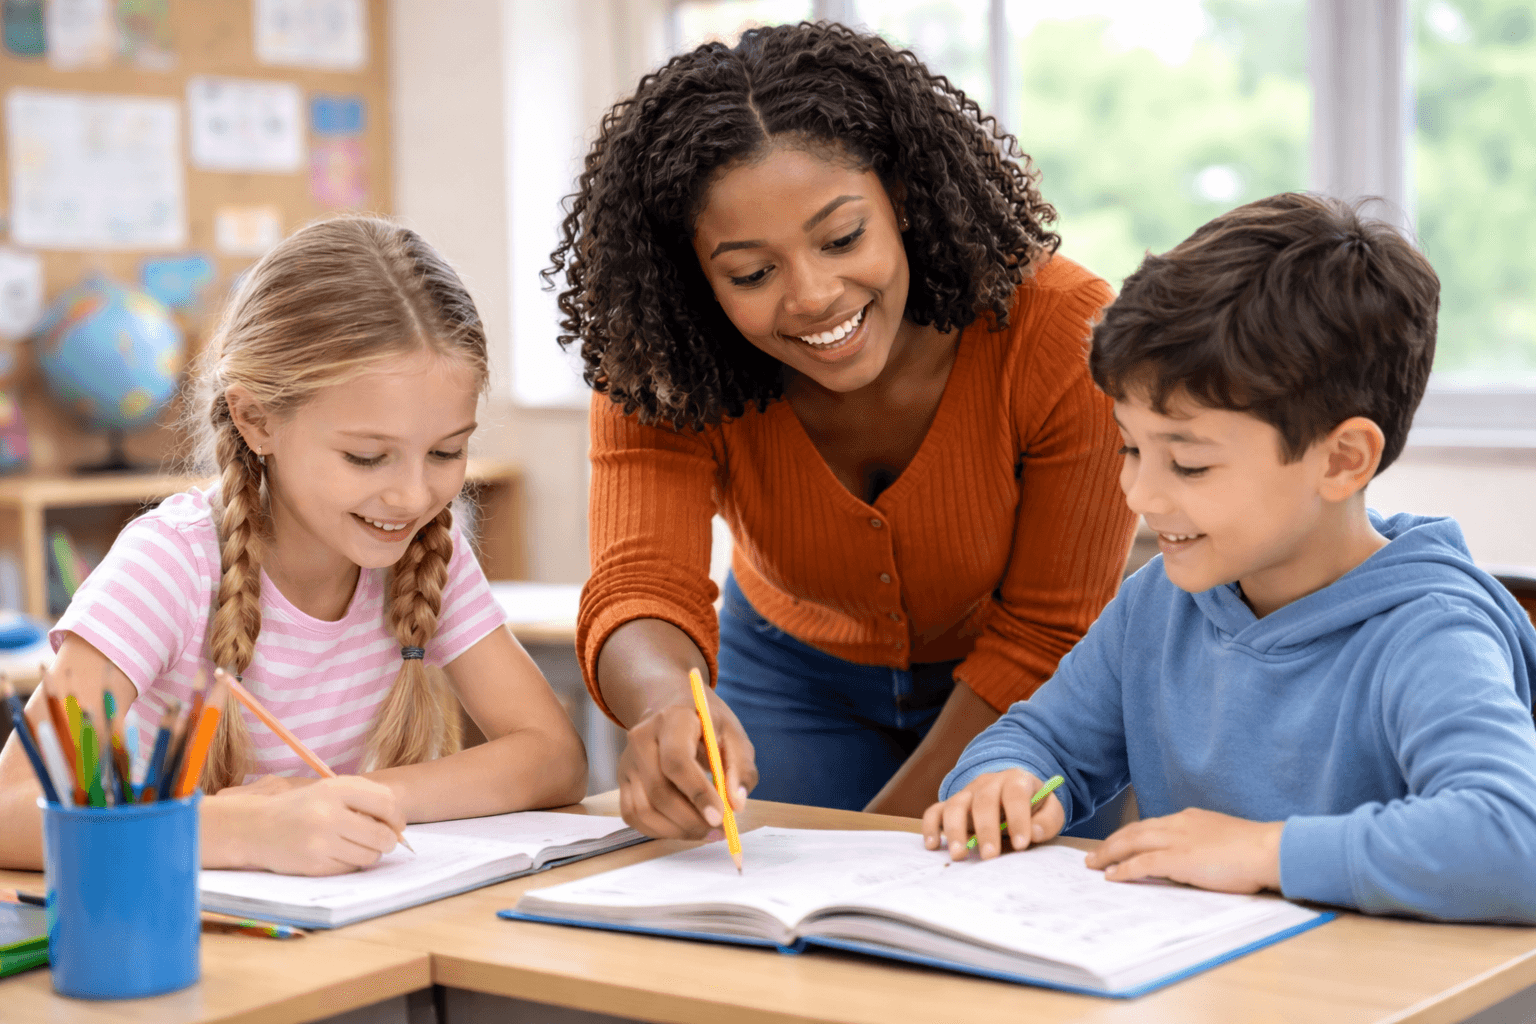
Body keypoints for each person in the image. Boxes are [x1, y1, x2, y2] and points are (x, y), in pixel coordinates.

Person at [551, 21, 1137, 837]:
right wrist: (664, 709)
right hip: (793, 675)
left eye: (843, 237)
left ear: (903, 197)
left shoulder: (1060, 332)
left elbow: (1048, 632)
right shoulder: (664, 362)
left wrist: (870, 847)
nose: (814, 296)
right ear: (692, 280)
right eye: (752, 273)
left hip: (1030, 688)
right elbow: (641, 584)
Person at [923, 193, 1536, 922]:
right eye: (1129, 447)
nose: (1139, 494)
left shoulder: (1430, 633)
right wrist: (1004, 777)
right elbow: (1042, 735)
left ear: (1342, 460)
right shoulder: (1161, 603)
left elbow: (1515, 840)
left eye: (1188, 465)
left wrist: (1262, 853)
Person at [0, 217, 587, 875]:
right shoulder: (171, 565)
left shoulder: (428, 554)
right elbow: (10, 807)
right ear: (256, 421)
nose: (413, 496)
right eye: (367, 457)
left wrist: (350, 800)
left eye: (447, 451)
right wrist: (239, 832)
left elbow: (553, 755)